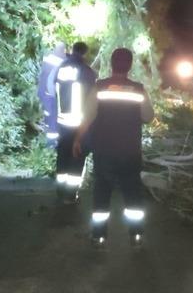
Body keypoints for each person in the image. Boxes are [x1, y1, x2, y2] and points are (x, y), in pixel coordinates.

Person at [73, 48, 154, 248]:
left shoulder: (99, 87)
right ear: (130, 65)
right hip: (129, 152)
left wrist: (77, 139)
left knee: (101, 193)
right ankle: (136, 236)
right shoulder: (138, 90)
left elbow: (88, 116)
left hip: (104, 151)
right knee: (133, 195)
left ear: (111, 63)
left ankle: (99, 236)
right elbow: (148, 117)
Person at [53, 41, 97, 202]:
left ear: (72, 51)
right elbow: (92, 99)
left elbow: (55, 92)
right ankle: (70, 195)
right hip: (79, 123)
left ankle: (60, 190)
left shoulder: (61, 68)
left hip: (63, 121)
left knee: (62, 156)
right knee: (77, 158)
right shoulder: (87, 72)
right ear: (84, 54)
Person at [38, 43, 66, 147]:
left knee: (48, 116)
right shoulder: (62, 61)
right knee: (53, 118)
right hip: (51, 94)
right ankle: (52, 144)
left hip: (44, 92)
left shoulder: (48, 58)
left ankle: (50, 141)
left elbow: (43, 76)